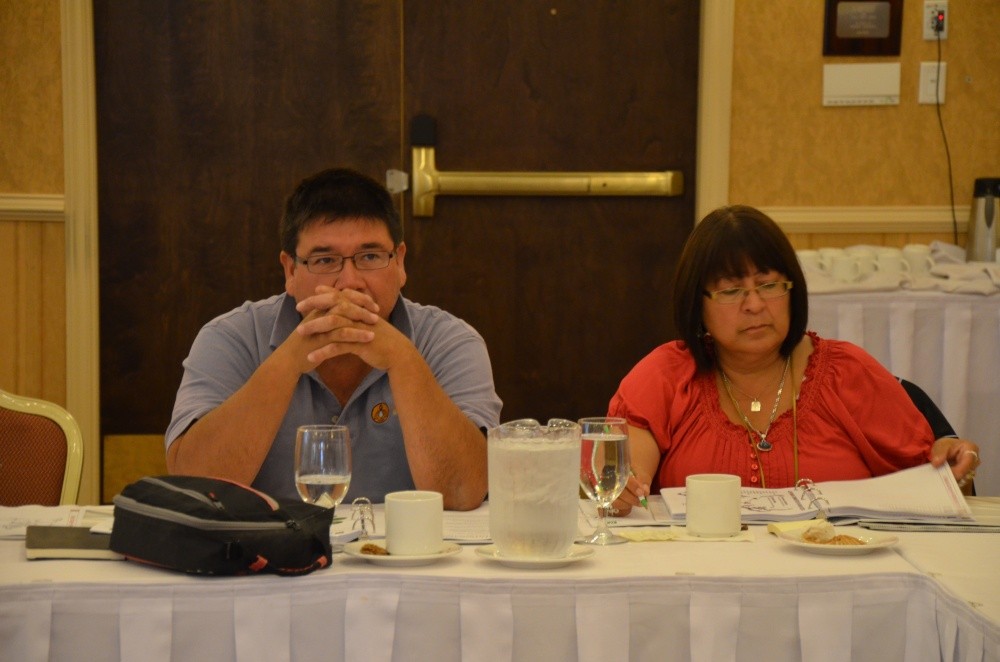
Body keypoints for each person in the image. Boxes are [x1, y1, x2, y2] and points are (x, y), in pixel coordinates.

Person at [166, 167, 502, 510]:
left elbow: (463, 493)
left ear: (399, 263)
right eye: (325, 260)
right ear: (291, 271)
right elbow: (195, 487)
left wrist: (402, 359)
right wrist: (290, 358)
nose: (349, 283)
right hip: (269, 558)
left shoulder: (451, 341)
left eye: (369, 257)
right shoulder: (230, 337)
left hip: (411, 559)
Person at [610, 205, 982, 515]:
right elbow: (622, 480)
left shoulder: (848, 372)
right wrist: (621, 489)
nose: (754, 304)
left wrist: (949, 463)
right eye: (731, 290)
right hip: (701, 584)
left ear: (792, 291)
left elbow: (931, 488)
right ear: (697, 304)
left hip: (837, 582)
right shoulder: (668, 375)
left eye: (769, 285)